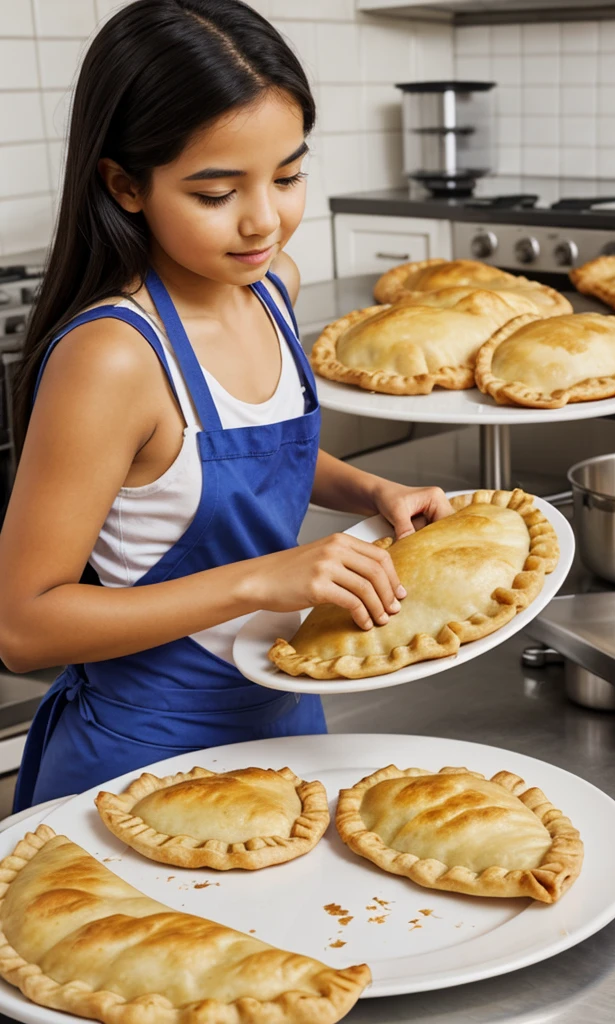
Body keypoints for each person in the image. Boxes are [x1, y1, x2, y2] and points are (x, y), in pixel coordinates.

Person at [0, 0, 452, 812]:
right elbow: (23, 626)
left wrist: (371, 493)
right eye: (216, 192)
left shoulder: (274, 289)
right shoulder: (112, 357)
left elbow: (236, 461)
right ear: (124, 184)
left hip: (288, 730)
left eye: (287, 176)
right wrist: (259, 583)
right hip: (144, 762)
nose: (264, 221)